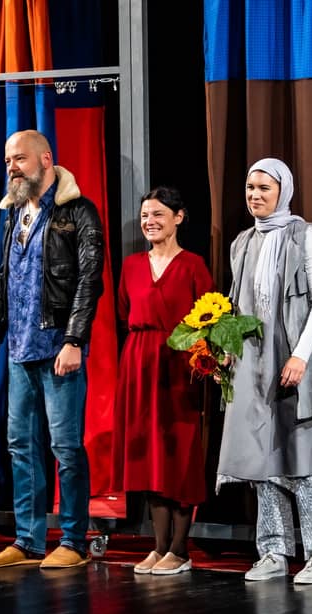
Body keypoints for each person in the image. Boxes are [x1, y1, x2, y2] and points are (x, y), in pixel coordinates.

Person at [0, 129, 105, 569]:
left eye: (20, 159)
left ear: (46, 159)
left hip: (58, 349)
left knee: (65, 447)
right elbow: (4, 277)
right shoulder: (13, 214)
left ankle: (73, 540)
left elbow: (89, 280)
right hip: (19, 349)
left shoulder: (78, 211)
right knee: (21, 446)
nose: (12, 167)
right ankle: (28, 541)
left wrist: (74, 340)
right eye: (8, 160)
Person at [215, 158, 312, 586]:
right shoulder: (242, 243)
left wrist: (300, 355)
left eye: (264, 188)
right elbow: (237, 303)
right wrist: (227, 351)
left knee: (306, 459)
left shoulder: (303, 234)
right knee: (262, 459)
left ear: (283, 192)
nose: (255, 195)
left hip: (296, 358)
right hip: (254, 361)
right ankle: (272, 552)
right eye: (250, 188)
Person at [114, 187, 214, 575]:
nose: (149, 222)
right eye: (144, 216)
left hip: (180, 364)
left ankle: (180, 549)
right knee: (148, 455)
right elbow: (125, 312)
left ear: (178, 217)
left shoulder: (193, 265)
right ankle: (158, 548)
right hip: (139, 363)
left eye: (157, 214)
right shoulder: (131, 265)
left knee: (178, 453)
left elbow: (210, 317)